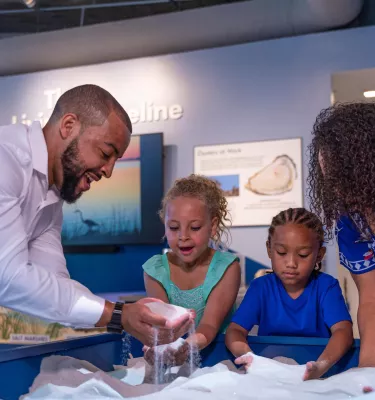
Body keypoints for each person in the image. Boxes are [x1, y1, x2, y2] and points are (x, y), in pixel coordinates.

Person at [0, 84, 192, 347]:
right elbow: (7, 277)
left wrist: (123, 316)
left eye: (116, 160)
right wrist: (118, 314)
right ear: (68, 126)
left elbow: (56, 285)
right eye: (105, 153)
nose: (109, 171)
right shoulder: (5, 158)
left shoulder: (51, 196)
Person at [225, 208, 353, 380]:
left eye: (303, 254)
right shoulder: (261, 288)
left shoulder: (326, 287)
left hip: (318, 372)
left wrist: (320, 367)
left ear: (319, 255)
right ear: (269, 249)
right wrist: (250, 358)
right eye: (282, 253)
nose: (291, 263)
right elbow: (235, 331)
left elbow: (343, 331)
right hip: (270, 372)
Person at [142, 174, 241, 366]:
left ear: (212, 226)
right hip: (175, 363)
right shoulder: (155, 270)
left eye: (194, 227)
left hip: (219, 361)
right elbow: (163, 327)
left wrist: (186, 347)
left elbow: (209, 325)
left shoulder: (226, 268)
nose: (183, 236)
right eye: (173, 227)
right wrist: (157, 347)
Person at [307, 102, 375, 367]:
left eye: (342, 177)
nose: (336, 190)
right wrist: (368, 368)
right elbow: (370, 300)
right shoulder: (351, 224)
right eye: (329, 180)